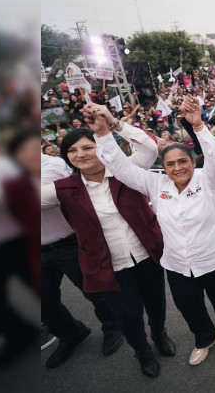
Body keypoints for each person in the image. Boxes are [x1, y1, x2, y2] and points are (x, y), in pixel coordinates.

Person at [89, 101, 215, 366]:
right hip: (177, 262)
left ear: (194, 161)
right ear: (164, 166)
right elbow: (122, 169)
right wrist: (103, 134)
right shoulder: (155, 182)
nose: (177, 168)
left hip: (214, 255)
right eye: (170, 164)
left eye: (183, 161)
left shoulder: (209, 179)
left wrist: (198, 126)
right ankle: (205, 337)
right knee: (187, 304)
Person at [40, 122, 176, 378]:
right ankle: (142, 351)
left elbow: (148, 147)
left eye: (87, 147)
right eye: (72, 150)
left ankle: (159, 334)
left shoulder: (126, 171)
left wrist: (114, 124)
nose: (80, 154)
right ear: (66, 157)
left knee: (156, 303)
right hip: (107, 265)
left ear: (100, 147)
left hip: (146, 255)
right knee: (128, 315)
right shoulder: (64, 189)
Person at [41, 151, 123, 369]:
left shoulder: (52, 165)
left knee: (94, 291)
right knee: (41, 302)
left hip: (68, 242)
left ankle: (113, 327)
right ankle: (71, 333)